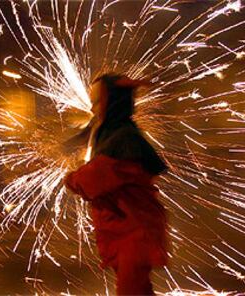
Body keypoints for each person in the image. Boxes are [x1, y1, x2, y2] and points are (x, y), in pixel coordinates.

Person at [65, 74, 169, 296]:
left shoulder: (123, 140)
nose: (93, 109)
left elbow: (93, 179)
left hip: (135, 234)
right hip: (126, 232)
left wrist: (70, 178)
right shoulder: (114, 135)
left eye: (96, 102)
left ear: (113, 103)